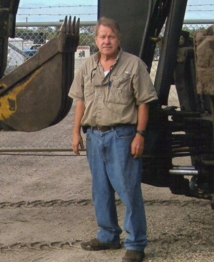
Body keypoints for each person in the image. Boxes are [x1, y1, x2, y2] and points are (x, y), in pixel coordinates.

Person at [68, 17, 157, 262]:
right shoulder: (87, 67)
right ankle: (108, 235)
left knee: (128, 190)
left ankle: (136, 244)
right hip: (94, 136)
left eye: (111, 37)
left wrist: (139, 135)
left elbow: (143, 103)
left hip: (123, 136)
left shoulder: (133, 65)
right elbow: (81, 102)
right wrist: (76, 132)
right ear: (95, 40)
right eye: (102, 36)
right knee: (101, 190)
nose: (106, 41)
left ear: (118, 39)